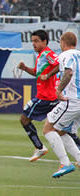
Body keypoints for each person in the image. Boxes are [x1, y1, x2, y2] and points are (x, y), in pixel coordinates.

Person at [17, 30, 59, 162]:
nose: (33, 44)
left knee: (24, 119)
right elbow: (36, 72)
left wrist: (48, 75)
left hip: (45, 97)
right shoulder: (41, 56)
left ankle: (39, 147)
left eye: (36, 41)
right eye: (32, 41)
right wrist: (25, 68)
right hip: (49, 97)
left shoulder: (48, 54)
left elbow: (59, 64)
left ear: (44, 41)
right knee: (62, 128)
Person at [43, 32, 80, 178]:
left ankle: (65, 163)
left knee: (48, 128)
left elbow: (69, 73)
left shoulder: (65, 55)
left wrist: (58, 90)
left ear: (63, 42)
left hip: (71, 100)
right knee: (62, 131)